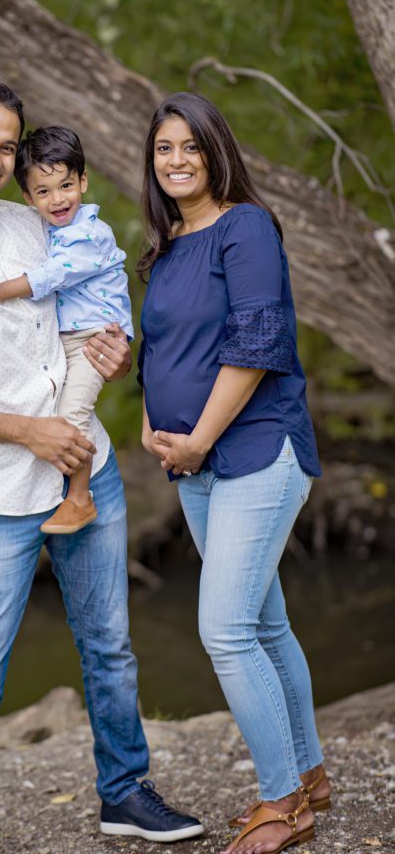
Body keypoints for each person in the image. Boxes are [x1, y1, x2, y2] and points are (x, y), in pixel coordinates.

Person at [0, 82, 204, 854]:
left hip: (83, 470)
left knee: (110, 646)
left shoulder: (36, 224)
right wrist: (30, 433)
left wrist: (113, 354)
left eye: (7, 146)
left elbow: (87, 320)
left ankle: (124, 794)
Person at [137, 92, 330, 854]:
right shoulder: (172, 242)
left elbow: (257, 342)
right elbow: (167, 350)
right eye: (163, 149)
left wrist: (196, 438)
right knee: (266, 624)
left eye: (191, 145)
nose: (177, 160)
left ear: (217, 152)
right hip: (197, 467)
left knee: (224, 630)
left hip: (256, 451)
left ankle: (283, 805)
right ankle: (309, 773)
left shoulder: (244, 227)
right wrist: (151, 420)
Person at [0, 124, 133, 534]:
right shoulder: (50, 230)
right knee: (58, 407)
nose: (57, 199)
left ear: (83, 181)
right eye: (43, 192)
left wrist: (2, 290)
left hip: (93, 340)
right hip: (70, 340)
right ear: (27, 198)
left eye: (66, 186)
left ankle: (80, 499)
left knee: (73, 415)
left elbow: (53, 275)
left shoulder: (89, 235)